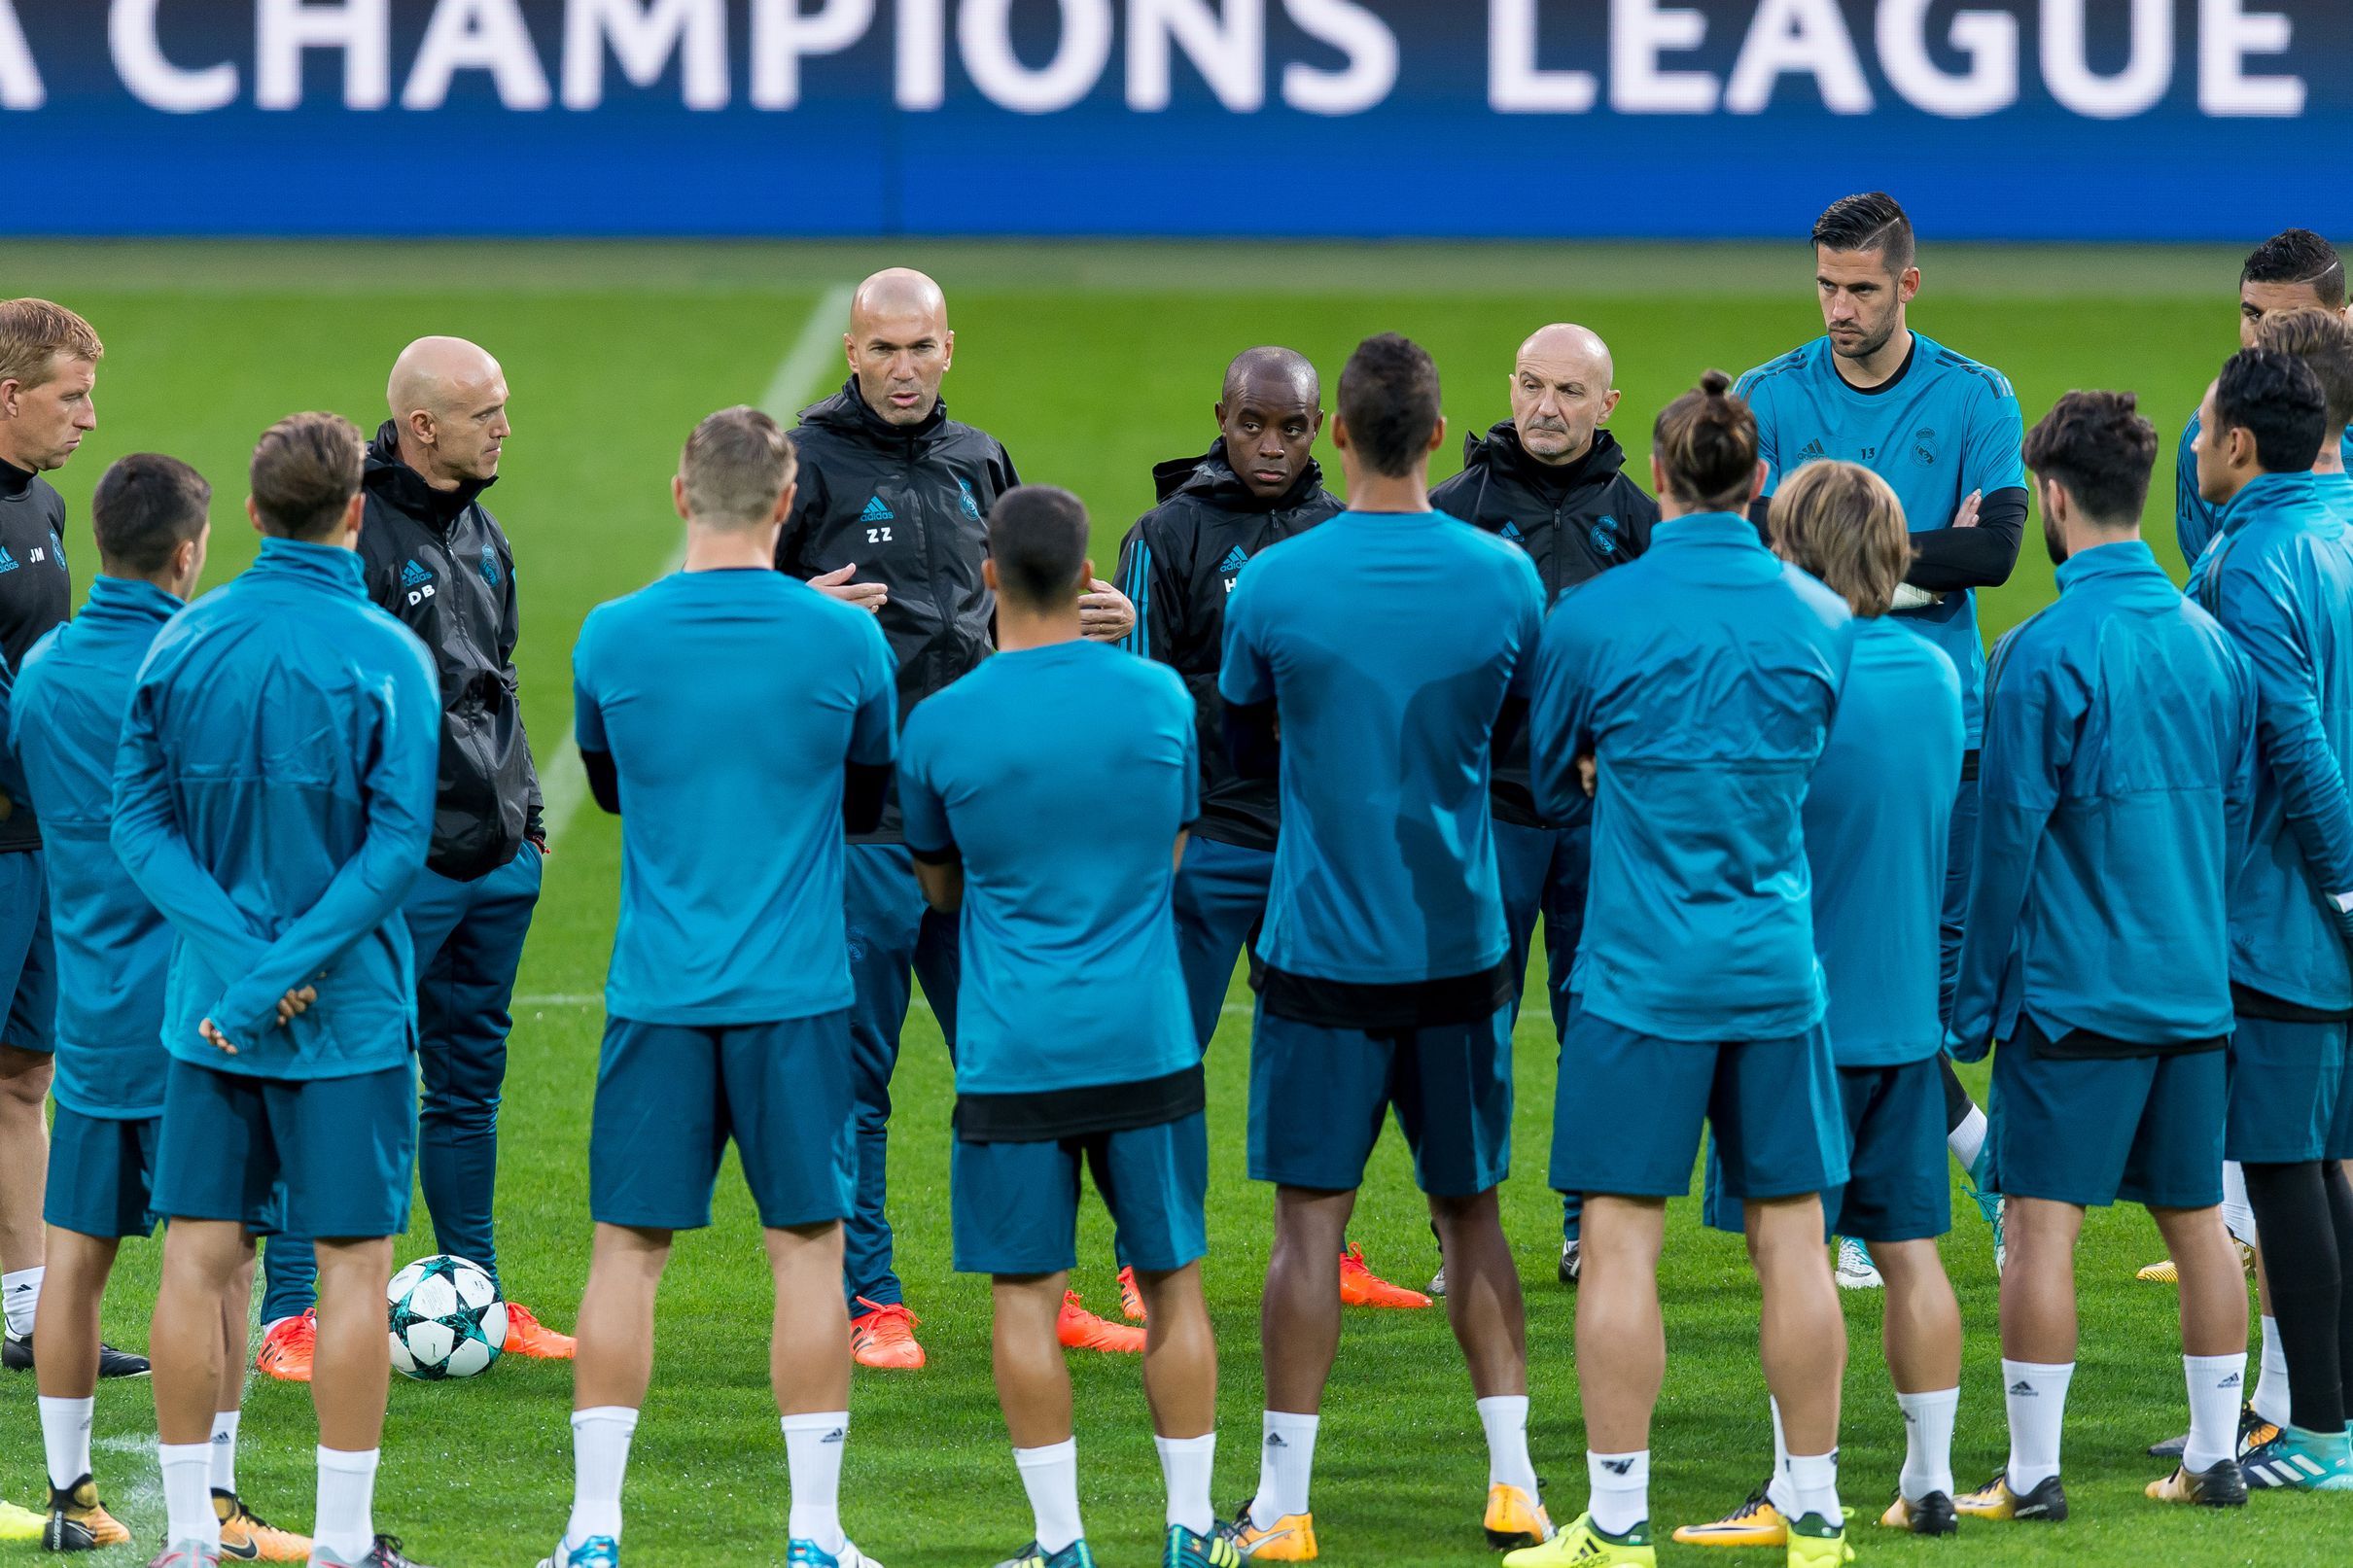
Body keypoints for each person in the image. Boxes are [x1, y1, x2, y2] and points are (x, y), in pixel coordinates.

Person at [545, 408, 896, 1568]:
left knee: (625, 1252)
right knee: (807, 1251)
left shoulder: (609, 634)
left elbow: (610, 789)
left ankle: (594, 1529)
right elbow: (863, 802)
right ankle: (814, 1532)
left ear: (679, 492)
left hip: (659, 993)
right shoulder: (847, 643)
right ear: (788, 502)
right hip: (797, 995)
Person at [1220, 333, 1552, 1559]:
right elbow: (1517, 742)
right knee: (1472, 1216)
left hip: (1319, 950)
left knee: (1308, 1228)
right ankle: (1515, 1486)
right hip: (1459, 946)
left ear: (1338, 435)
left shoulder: (1274, 584)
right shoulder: (1506, 577)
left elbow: (1241, 750)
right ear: (1436, 434)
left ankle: (1284, 1504)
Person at [1518, 371, 1854, 1568]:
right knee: (1793, 1242)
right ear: (1758, 480)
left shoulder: (1590, 616)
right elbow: (1809, 759)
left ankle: (1616, 1522)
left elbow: (1545, 779)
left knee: (1618, 1242)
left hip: (1637, 976)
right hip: (1772, 971)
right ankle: (1814, 1510)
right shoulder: (1822, 617)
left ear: (1655, 477)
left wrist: (1606, 768)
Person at [775, 268, 1136, 1368]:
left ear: (948, 348)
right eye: (881, 349)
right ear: (850, 351)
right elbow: (734, 612)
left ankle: (1043, 1285)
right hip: (864, 824)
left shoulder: (980, 459)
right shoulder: (803, 464)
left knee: (1022, 1060)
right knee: (856, 1079)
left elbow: (1017, 612)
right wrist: (794, 611)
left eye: (919, 347)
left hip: (986, 822)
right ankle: (869, 1300)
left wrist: (1086, 622)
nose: (902, 369)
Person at [116, 412, 441, 1568]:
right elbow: (397, 848)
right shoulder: (389, 653)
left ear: (252, 512)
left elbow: (137, 823)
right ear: (355, 510)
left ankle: (188, 1538)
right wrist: (287, 969)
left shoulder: (178, 644)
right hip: (347, 1017)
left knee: (196, 1258)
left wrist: (241, 968)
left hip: (209, 1017)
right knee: (353, 1265)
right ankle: (344, 1541)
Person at [902, 485, 1229, 1568]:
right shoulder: (1159, 699)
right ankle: (1189, 1529)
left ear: (988, 575)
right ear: (1089, 576)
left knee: (1026, 1299)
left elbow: (940, 890)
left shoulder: (939, 723)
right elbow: (1172, 852)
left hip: (1015, 1051)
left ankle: (1061, 1542)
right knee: (1173, 1283)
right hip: (1146, 1039)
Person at [1948, 390, 2257, 1522]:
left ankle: (2032, 1472)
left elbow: (2003, 845)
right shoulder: (2213, 646)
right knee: (2198, 1222)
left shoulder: (2034, 652)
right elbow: (2233, 822)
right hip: (2192, 993)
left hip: (2073, 999)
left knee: (2038, 1226)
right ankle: (2214, 1457)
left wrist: (1969, 1003)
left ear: (2051, 497)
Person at [11, 455, 309, 1561]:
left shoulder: (41, 669)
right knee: (217, 1259)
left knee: (76, 1254)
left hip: (90, 1005)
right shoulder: (197, 662)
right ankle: (216, 1503)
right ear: (190, 550)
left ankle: (70, 1493)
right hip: (197, 1010)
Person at [256, 337, 571, 1380]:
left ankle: (476, 1286)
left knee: (469, 1086)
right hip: (397, 872)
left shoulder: (482, 527)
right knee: (340, 1076)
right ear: (424, 426)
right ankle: (292, 1312)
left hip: (493, 863)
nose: (505, 427)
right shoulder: (357, 535)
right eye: (486, 412)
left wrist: (526, 820)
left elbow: (498, 681)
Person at [1675, 462, 1965, 1549]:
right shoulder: (1936, 675)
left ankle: (1804, 1487)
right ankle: (1929, 1480)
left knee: (1791, 1257)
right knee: (1910, 1251)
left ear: (1789, 550)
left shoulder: (1789, 675)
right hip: (1905, 1020)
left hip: (1796, 1021)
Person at [1738, 192, 2025, 1281]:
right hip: (1808, 727)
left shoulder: (1974, 395)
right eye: (1825, 285)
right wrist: (1916, 565)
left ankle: (1942, 1169)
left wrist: (1833, 564)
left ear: (1906, 284)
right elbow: (1752, 545)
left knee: (1920, 986)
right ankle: (1917, 1184)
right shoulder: (1770, 393)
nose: (1838, 308)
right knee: (1818, 965)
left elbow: (1995, 553)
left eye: (1859, 288)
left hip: (1942, 734)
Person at [1113, 347, 1425, 1320]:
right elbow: (1140, 693)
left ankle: (1331, 1249)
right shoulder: (1166, 534)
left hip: (1316, 849)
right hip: (1206, 840)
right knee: (1167, 1054)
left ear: (1320, 428)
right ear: (1222, 417)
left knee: (1329, 1054)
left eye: (1291, 427)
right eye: (1252, 423)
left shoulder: (1341, 532)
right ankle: (1143, 1258)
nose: (1271, 445)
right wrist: (1258, 704)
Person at [1427, 322, 1658, 1292]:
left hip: (1603, 818)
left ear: (1606, 405)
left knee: (1594, 1024)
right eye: (1529, 384)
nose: (1544, 407)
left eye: (1568, 390)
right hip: (1489, 812)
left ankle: (1584, 1227)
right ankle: (1463, 1236)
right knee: (1467, 1027)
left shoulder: (1640, 521)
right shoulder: (1455, 510)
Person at [2184, 335, 2353, 1490]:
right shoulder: (2338, 527)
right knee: (2321, 1165)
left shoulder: (2251, 559)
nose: (2196, 442)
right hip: (2312, 906)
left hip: (2285, 911)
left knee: (2286, 1166)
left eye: (2204, 428)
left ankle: (2320, 1433)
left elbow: (2289, 739)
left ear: (2238, 445)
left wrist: (2341, 884)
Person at [0, 301, 135, 1389]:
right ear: (10, 395)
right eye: (71, 395)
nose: (89, 417)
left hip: (40, 838)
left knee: (24, 1073)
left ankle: (31, 1312)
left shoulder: (41, 504)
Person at [2177, 230, 2353, 569]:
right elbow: (2208, 569)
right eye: (2254, 316)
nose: (2263, 340)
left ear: (2339, 321)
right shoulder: (2209, 435)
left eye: (2291, 319)